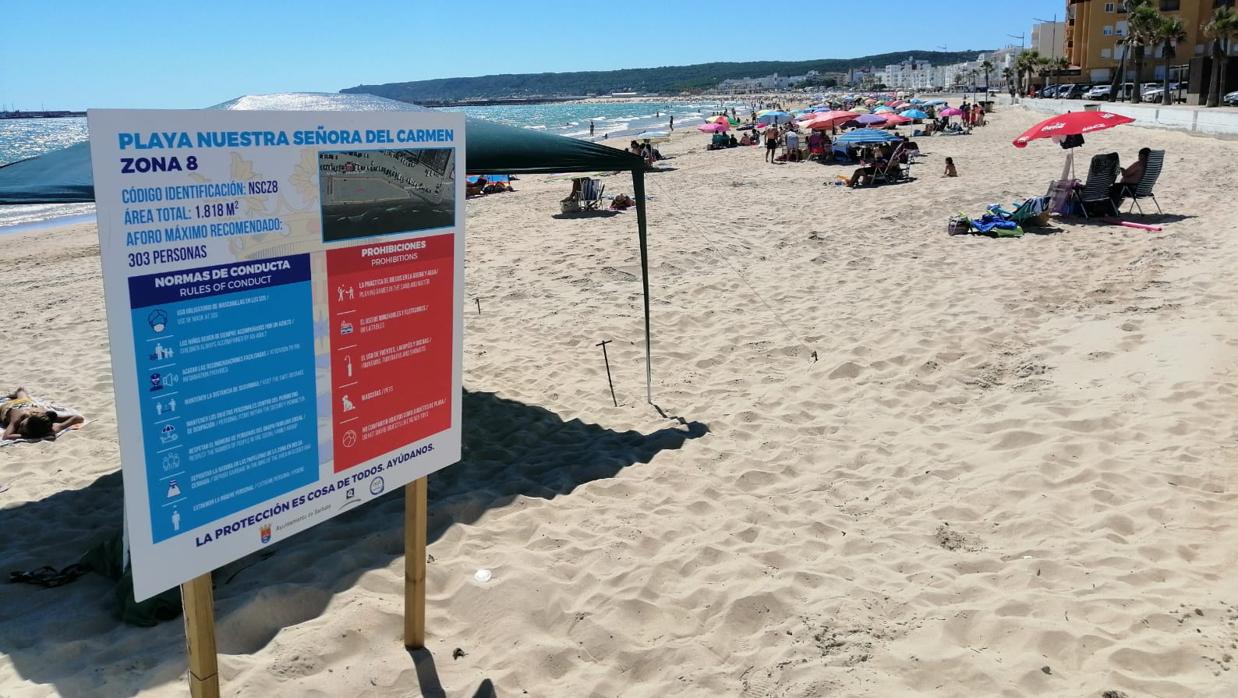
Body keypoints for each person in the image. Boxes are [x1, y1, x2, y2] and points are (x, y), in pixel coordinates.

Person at [1, 388, 84, 440]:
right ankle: (13, 395)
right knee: (21, 390)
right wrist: (25, 436)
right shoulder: (17, 417)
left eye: (23, 430)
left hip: (27, 404)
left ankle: (15, 395)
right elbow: (6, 437)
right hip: (11, 407)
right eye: (22, 426)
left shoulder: (45, 419)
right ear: (28, 418)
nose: (20, 430)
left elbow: (78, 418)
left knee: (22, 393)